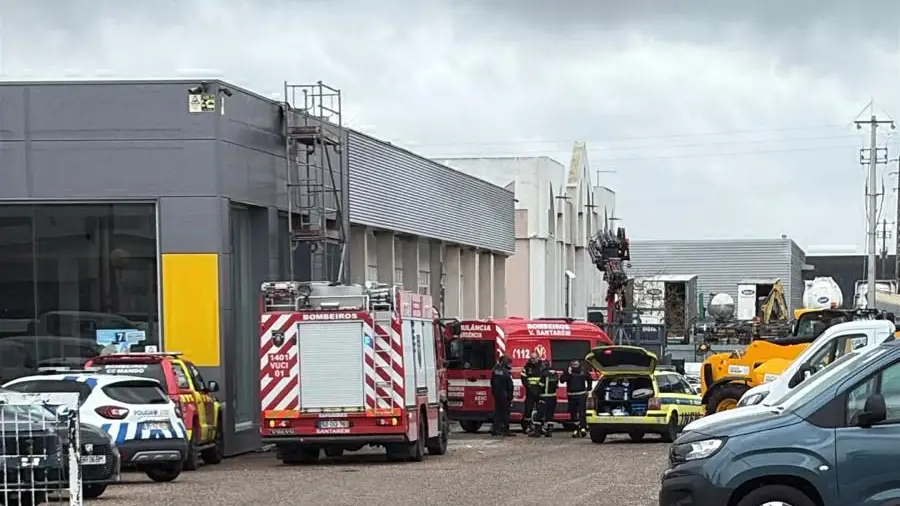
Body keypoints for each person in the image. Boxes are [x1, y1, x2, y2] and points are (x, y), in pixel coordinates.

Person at [560, 359, 592, 438]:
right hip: (571, 395)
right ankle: (576, 428)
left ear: (579, 364)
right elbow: (562, 380)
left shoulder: (583, 370)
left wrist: (588, 389)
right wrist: (568, 373)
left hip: (581, 394)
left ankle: (583, 428)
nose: (575, 366)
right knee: (573, 413)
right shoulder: (568, 371)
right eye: (573, 365)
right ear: (570, 365)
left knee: (582, 412)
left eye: (576, 364)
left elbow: (589, 379)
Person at [531, 360, 559, 438]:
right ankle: (549, 431)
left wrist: (537, 396)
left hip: (544, 396)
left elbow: (540, 386)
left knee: (539, 414)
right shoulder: (555, 374)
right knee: (550, 415)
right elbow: (556, 385)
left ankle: (537, 432)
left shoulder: (544, 374)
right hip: (553, 397)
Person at [490, 355, 515, 436]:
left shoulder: (495, 370)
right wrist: (510, 396)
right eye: (509, 364)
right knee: (505, 413)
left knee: (498, 412)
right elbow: (510, 385)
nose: (510, 365)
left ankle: (495, 429)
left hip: (497, 394)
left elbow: (492, 382)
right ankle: (506, 430)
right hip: (505, 395)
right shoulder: (506, 372)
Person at [520, 352, 542, 433]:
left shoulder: (541, 366)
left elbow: (544, 377)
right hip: (530, 392)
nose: (533, 360)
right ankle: (526, 426)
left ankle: (539, 427)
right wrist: (528, 386)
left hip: (540, 391)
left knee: (540, 410)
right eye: (532, 358)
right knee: (528, 410)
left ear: (538, 358)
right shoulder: (527, 367)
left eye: (534, 358)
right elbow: (523, 378)